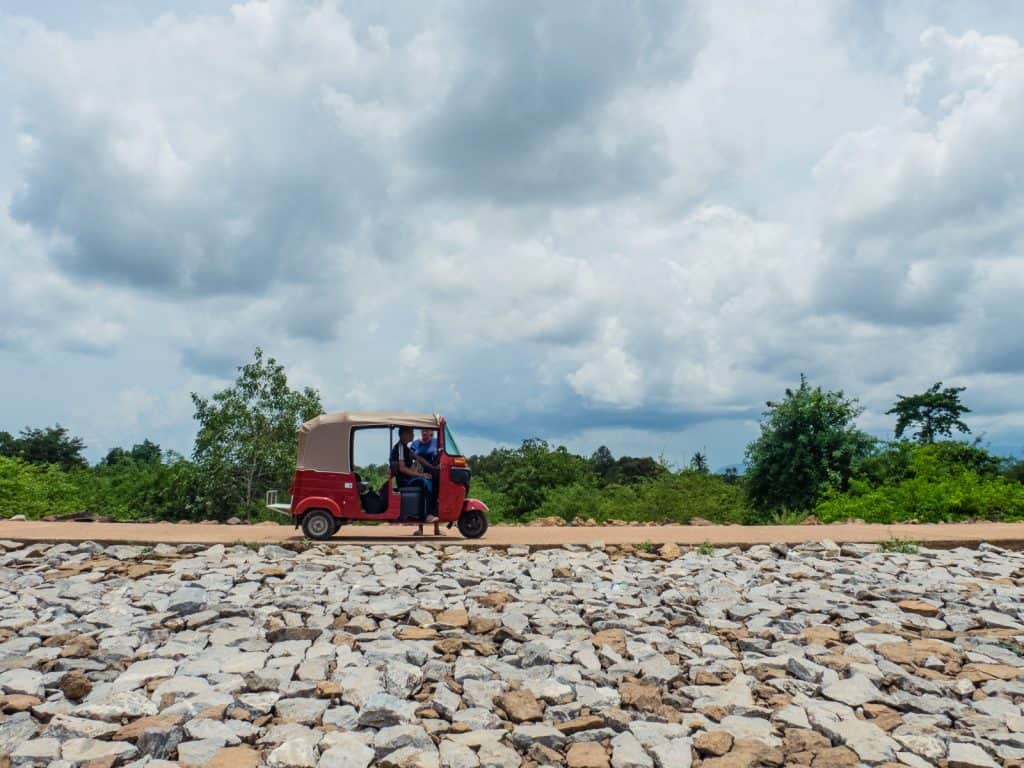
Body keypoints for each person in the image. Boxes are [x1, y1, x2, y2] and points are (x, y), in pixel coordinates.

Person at [391, 426, 437, 535]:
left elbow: (418, 458)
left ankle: (431, 516)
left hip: (409, 477)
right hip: (404, 480)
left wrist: (432, 467)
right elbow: (402, 468)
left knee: (429, 481)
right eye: (411, 432)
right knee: (424, 482)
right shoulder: (400, 448)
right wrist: (421, 475)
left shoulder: (405, 447)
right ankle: (427, 515)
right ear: (404, 435)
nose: (413, 435)